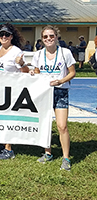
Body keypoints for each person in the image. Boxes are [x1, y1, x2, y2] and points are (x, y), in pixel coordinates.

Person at [30, 25, 76, 171]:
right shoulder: (38, 54)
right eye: (45, 37)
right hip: (44, 92)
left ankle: (66, 158)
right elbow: (37, 72)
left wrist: (61, 81)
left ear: (56, 37)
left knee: (62, 126)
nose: (48, 39)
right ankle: (47, 153)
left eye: (51, 36)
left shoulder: (65, 52)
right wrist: (33, 73)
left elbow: (72, 73)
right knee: (45, 124)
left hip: (60, 92)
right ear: (42, 39)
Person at [0, 24, 29, 160]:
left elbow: (25, 73)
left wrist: (22, 64)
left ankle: (8, 149)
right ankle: (2, 145)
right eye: (1, 35)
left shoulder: (16, 52)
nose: (4, 37)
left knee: (7, 119)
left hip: (10, 91)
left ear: (11, 36)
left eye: (7, 35)